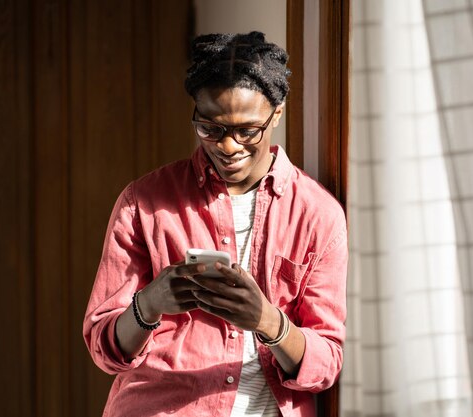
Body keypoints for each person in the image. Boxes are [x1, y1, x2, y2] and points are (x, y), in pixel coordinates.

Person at [83, 31, 348, 417]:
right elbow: (104, 349)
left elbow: (326, 363)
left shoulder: (318, 214)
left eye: (246, 131)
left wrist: (267, 321)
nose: (228, 146)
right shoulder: (144, 202)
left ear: (277, 113)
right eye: (211, 128)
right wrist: (151, 303)